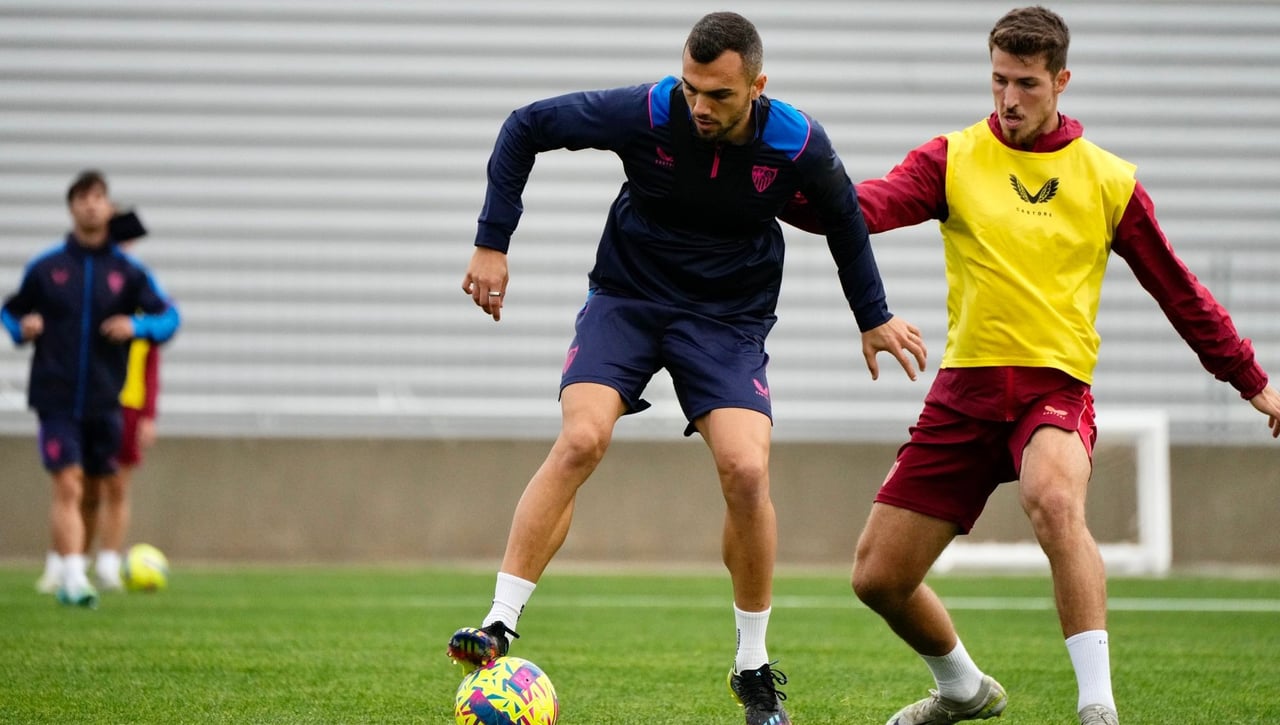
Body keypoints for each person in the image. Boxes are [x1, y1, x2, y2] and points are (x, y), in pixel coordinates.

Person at [782, 6, 1280, 725]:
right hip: (964, 393)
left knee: (1052, 497)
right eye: (998, 81)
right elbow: (865, 209)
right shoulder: (951, 158)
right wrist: (770, 189)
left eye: (1026, 84)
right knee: (878, 577)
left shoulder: (1108, 180)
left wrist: (1250, 379)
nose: (1009, 99)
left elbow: (1178, 290)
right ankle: (963, 687)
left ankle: (1097, 706)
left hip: (1054, 391)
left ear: (1061, 82)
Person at [447, 11, 927, 725]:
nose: (699, 105)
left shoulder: (797, 140)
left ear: (758, 87)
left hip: (727, 320)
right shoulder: (647, 111)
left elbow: (845, 221)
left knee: (747, 470)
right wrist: (492, 241)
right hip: (628, 299)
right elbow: (526, 125)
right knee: (581, 439)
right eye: (691, 87)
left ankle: (753, 666)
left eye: (719, 94)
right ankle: (498, 623)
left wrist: (873, 314)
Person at [4, 170, 181, 608]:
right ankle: (71, 577)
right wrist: (23, 328)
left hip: (107, 399)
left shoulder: (128, 272)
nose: (90, 204)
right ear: (71, 207)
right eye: (82, 197)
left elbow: (169, 318)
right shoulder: (47, 267)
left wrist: (138, 326)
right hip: (55, 396)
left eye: (98, 197)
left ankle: (81, 567)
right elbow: (10, 311)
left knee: (98, 491)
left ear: (107, 207)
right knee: (68, 483)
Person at [79, 208, 165, 591]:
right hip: (92, 399)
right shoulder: (90, 287)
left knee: (117, 486)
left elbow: (152, 359)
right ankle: (73, 562)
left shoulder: (139, 291)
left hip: (128, 402)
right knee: (85, 487)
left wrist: (149, 413)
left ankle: (109, 563)